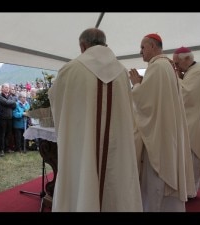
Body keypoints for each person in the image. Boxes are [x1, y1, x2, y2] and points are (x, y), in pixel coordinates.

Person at [48, 28, 142, 212]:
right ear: (105, 44)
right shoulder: (122, 72)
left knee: (83, 173)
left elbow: (56, 100)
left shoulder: (70, 69)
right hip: (117, 146)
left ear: (83, 46)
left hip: (82, 144)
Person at [129, 33, 196, 211]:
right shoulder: (165, 66)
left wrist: (135, 84)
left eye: (143, 47)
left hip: (159, 135)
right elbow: (157, 97)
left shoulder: (157, 67)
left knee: (156, 182)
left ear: (152, 46)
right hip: (167, 131)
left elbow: (146, 104)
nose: (140, 51)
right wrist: (144, 84)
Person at [173, 46, 200, 192]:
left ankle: (190, 191)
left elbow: (186, 94)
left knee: (191, 156)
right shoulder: (192, 71)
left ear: (188, 59)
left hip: (194, 122)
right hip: (192, 119)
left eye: (177, 63)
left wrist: (174, 76)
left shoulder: (199, 71)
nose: (176, 67)